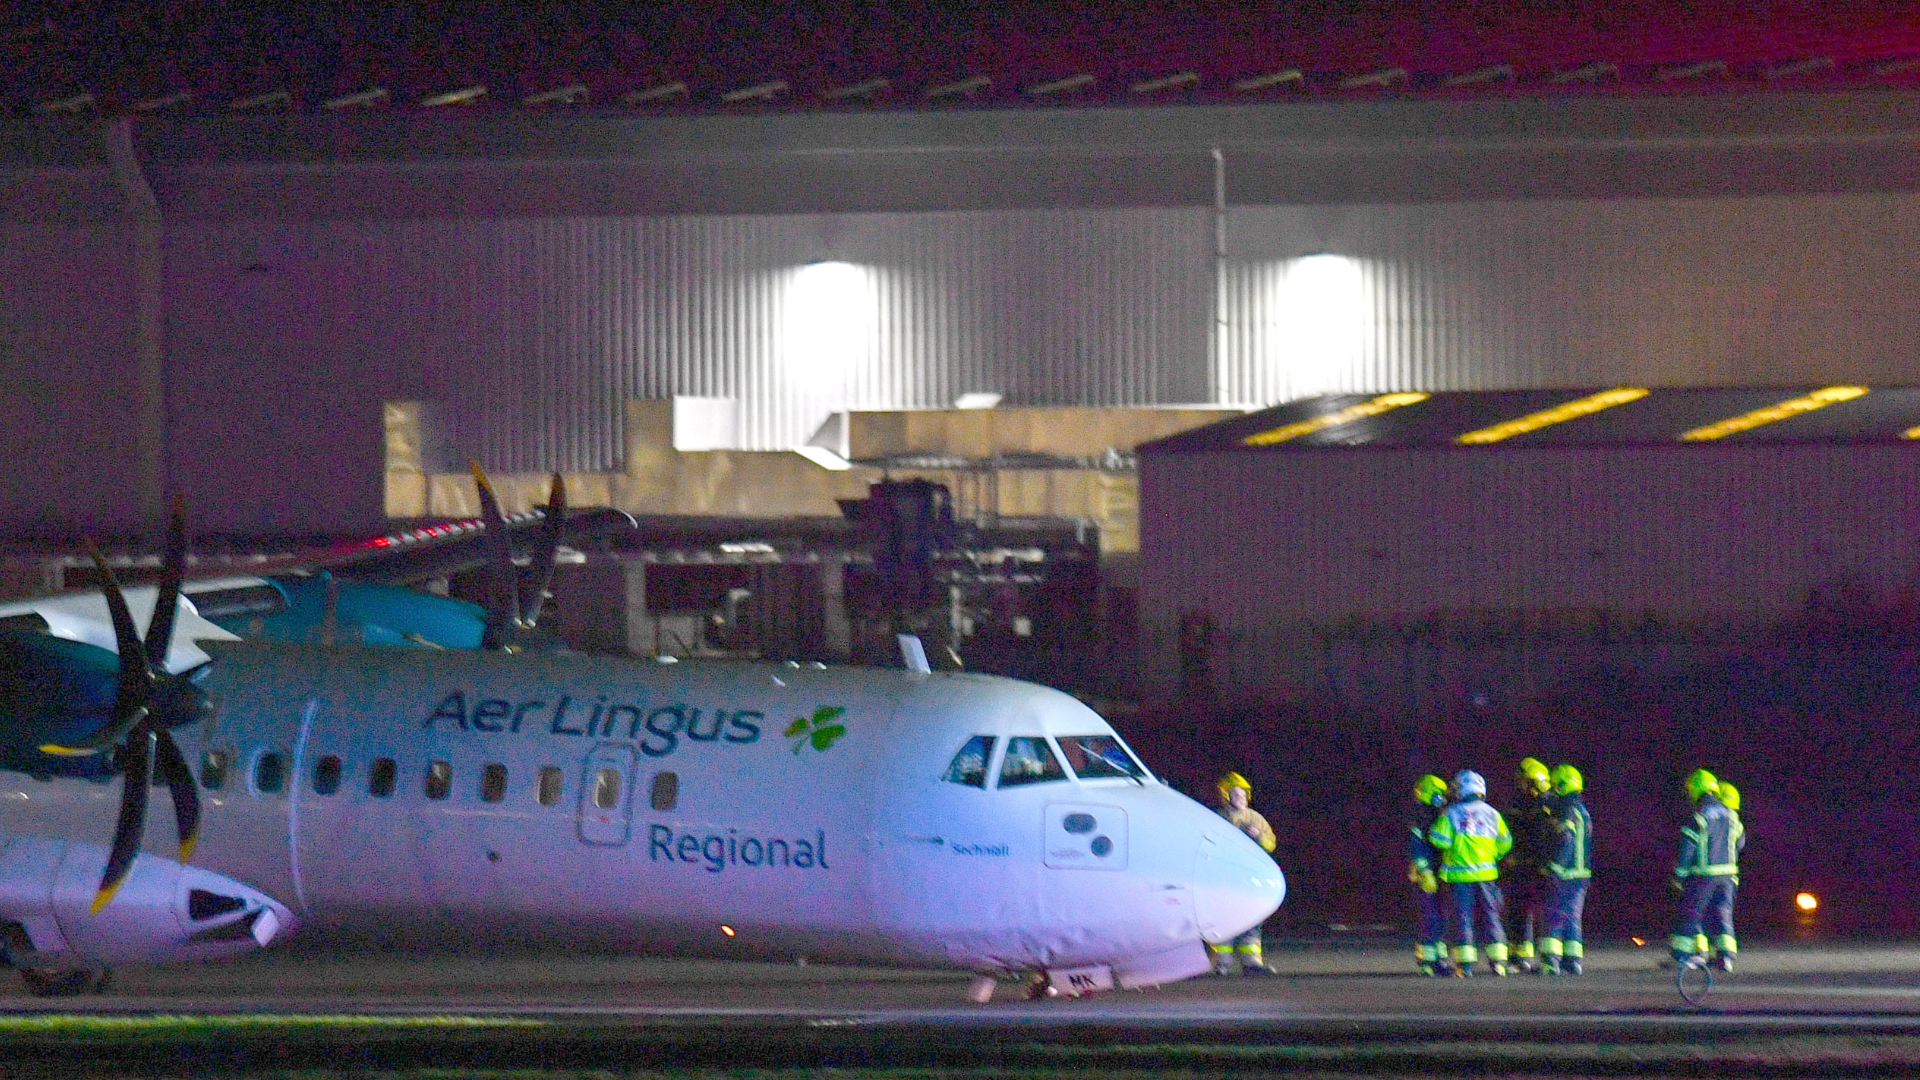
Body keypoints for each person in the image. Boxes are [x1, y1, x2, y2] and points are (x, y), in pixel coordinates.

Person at [1429, 769, 1514, 976]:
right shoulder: (1493, 813)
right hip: (1487, 877)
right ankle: (1499, 963)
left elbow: (1440, 840)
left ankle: (1465, 965)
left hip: (1460, 878)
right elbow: (1505, 843)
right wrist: (1489, 855)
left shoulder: (1451, 813)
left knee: (1463, 919)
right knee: (1491, 917)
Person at [1669, 768, 1744, 973]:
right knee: (1722, 914)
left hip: (1704, 875)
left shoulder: (1700, 815)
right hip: (1728, 876)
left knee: (1691, 913)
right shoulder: (1730, 814)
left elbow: (1687, 847)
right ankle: (1725, 957)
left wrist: (1679, 874)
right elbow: (1740, 842)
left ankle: (1683, 955)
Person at [1213, 771, 1278, 975]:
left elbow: (1271, 844)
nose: (1241, 798)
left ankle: (1252, 963)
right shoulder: (1217, 818)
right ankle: (1221, 963)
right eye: (1236, 794)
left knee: (1252, 920)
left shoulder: (1255, 818)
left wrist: (1258, 836)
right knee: (1224, 920)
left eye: (1243, 794)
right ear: (1226, 796)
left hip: (1249, 880)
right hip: (1224, 879)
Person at [1540, 763, 1593, 975]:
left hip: (1565, 874)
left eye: (1555, 786)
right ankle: (1573, 961)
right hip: (1582, 875)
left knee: (1554, 915)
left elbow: (1566, 840)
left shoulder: (1567, 811)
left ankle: (1550, 961)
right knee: (1573, 917)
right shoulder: (1582, 811)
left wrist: (1554, 868)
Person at [1504, 757, 1556, 972]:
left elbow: (1546, 838)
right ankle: (1520, 955)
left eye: (1524, 781)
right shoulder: (1518, 803)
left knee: (1543, 913)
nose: (1520, 784)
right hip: (1520, 866)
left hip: (1538, 868)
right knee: (1517, 911)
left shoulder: (1548, 806)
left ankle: (1549, 959)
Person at [1408, 774, 1453, 976]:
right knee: (1431, 917)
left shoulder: (1434, 814)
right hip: (1431, 872)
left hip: (1438, 871)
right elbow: (1416, 845)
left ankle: (1438, 959)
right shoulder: (1423, 814)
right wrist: (1424, 870)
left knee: (1438, 917)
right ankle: (1429, 961)